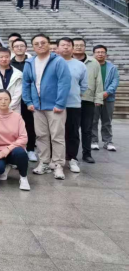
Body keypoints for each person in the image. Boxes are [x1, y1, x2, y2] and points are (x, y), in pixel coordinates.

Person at [22, 34, 71, 180]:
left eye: (43, 42)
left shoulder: (58, 61)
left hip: (55, 106)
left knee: (57, 136)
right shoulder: (30, 62)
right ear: (33, 46)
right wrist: (28, 102)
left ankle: (58, 165)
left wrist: (60, 103)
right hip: (37, 107)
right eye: (36, 43)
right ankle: (44, 162)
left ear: (49, 44)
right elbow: (26, 83)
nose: (40, 45)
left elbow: (64, 82)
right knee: (41, 135)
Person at [0, 89, 30, 191]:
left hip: (13, 149)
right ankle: (5, 166)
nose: (3, 102)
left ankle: (23, 178)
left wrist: (8, 149)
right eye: (0, 99)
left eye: (6, 99)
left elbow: (23, 137)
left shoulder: (17, 116)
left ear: (10, 101)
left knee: (21, 153)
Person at [57, 37, 88, 174]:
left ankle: (72, 158)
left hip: (73, 104)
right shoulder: (52, 63)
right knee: (55, 133)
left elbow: (84, 85)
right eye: (63, 45)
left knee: (73, 132)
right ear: (58, 48)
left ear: (72, 48)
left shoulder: (80, 65)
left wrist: (74, 94)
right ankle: (56, 159)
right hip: (54, 104)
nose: (66, 47)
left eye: (68, 45)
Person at [10, 38, 37, 162]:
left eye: (22, 46)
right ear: (12, 49)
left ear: (26, 48)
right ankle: (17, 149)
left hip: (29, 99)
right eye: (16, 46)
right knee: (14, 126)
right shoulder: (9, 63)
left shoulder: (32, 62)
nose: (19, 48)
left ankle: (30, 149)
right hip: (13, 99)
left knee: (29, 125)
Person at [77, 41, 103, 164]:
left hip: (88, 99)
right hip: (71, 101)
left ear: (85, 47)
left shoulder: (93, 62)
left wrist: (98, 98)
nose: (78, 47)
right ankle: (71, 154)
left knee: (87, 129)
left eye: (81, 45)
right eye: (76, 45)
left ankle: (87, 154)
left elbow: (99, 81)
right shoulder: (66, 61)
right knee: (71, 129)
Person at [92, 45, 119, 152]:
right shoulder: (90, 66)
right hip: (93, 97)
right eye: (98, 52)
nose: (100, 54)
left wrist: (107, 92)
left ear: (106, 54)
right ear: (94, 54)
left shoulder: (112, 67)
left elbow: (115, 81)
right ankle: (93, 141)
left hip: (108, 98)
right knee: (93, 120)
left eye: (102, 52)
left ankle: (108, 142)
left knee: (107, 121)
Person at [0, 48, 23, 113]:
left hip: (13, 109)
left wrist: (8, 107)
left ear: (10, 58)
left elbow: (18, 94)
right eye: (1, 57)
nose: (4, 59)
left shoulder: (18, 74)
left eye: (6, 57)